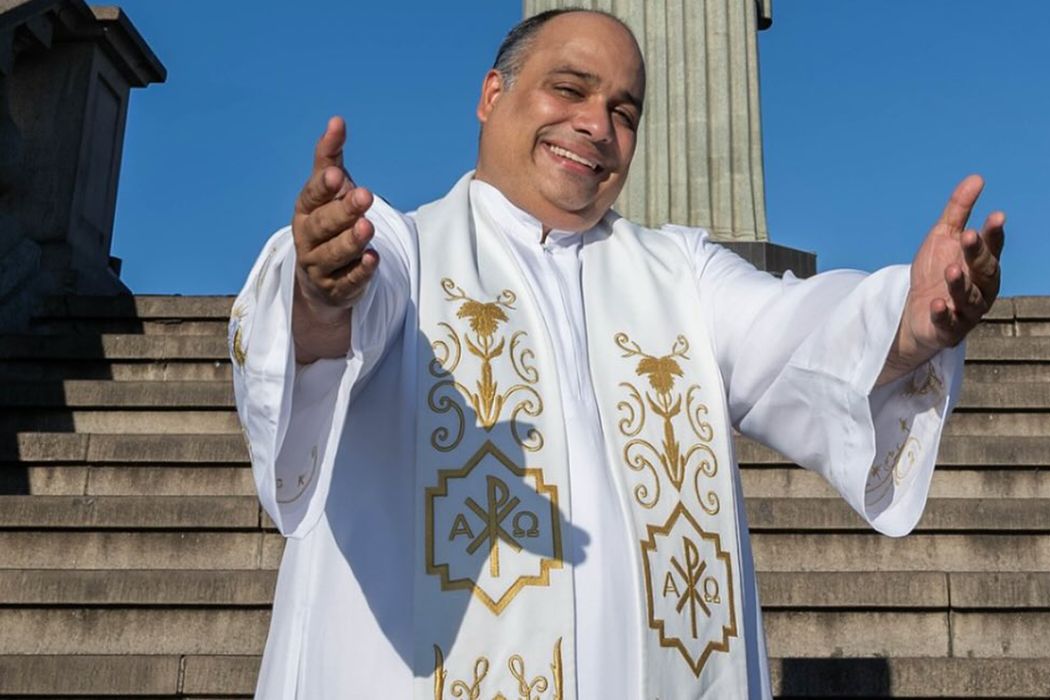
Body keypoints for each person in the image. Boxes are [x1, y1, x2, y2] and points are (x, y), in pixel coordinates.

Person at [230, 8, 1004, 699]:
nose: (598, 126)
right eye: (569, 90)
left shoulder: (680, 273)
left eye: (623, 111)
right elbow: (335, 324)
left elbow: (798, 331)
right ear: (492, 95)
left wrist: (910, 320)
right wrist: (321, 293)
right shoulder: (407, 248)